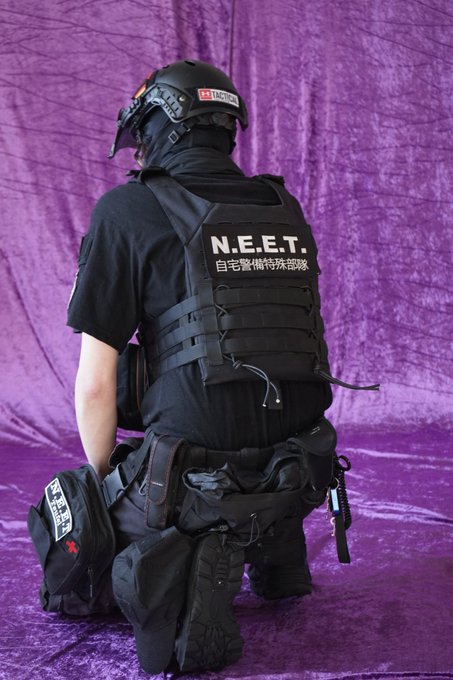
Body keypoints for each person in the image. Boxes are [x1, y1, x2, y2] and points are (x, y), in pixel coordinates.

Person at [67, 59, 339, 674]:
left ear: (157, 124)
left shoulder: (126, 209)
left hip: (190, 479)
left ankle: (197, 559)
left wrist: (106, 488)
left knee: (70, 522)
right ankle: (275, 544)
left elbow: (95, 386)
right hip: (300, 465)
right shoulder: (283, 206)